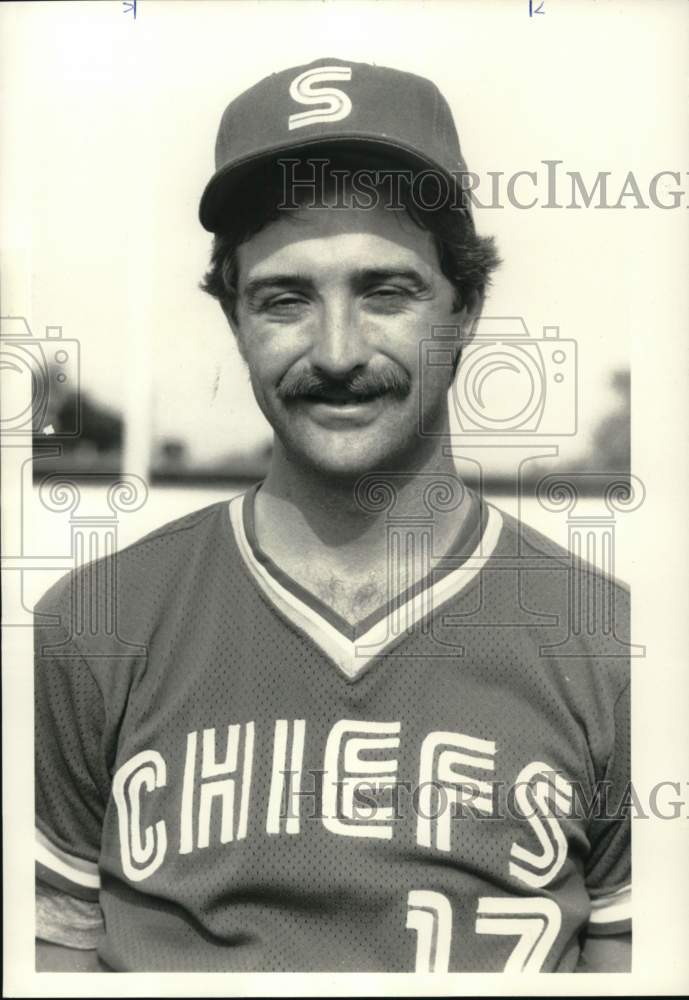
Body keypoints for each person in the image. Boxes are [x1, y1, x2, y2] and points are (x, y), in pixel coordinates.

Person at [34, 56, 631, 973]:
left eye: (386, 291)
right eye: (284, 299)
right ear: (233, 318)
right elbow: (51, 961)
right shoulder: (93, 625)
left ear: (467, 305)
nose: (339, 352)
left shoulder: (613, 648)